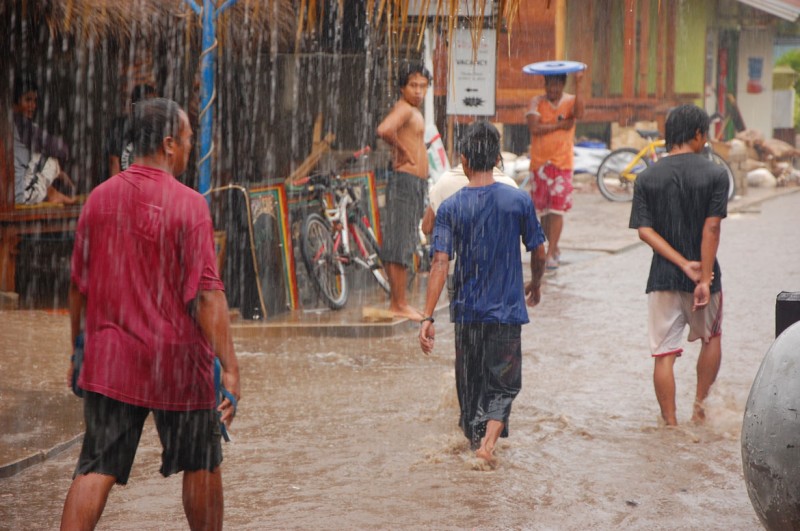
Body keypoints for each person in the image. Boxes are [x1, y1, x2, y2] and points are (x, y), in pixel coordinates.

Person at [61, 98, 240, 530]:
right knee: (201, 461)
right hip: (178, 363)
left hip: (111, 360)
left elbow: (77, 288)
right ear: (168, 145)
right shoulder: (190, 205)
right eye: (187, 139)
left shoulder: (98, 201)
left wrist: (78, 349)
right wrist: (231, 367)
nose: (190, 147)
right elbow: (207, 296)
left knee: (94, 467)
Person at [418, 121, 546, 464]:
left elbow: (440, 264)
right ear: (497, 160)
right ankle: (487, 445)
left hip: (467, 311)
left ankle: (475, 442)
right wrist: (536, 282)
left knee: (470, 386)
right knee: (503, 384)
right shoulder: (518, 200)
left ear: (463, 160)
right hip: (506, 311)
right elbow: (539, 249)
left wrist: (428, 316)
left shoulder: (451, 208)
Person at [629, 104, 727, 427]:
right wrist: (704, 276)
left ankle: (669, 424)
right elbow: (711, 229)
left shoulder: (647, 178)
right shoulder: (714, 174)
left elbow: (645, 231)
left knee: (663, 354)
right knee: (711, 339)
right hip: (706, 272)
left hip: (662, 278)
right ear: (697, 135)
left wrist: (682, 263)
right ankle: (699, 409)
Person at [376, 62, 431, 321]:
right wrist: (404, 151)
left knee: (406, 239)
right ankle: (398, 303)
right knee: (399, 241)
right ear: (402, 88)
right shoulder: (404, 109)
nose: (419, 91)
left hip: (413, 183)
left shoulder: (412, 110)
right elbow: (384, 130)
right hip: (405, 182)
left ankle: (400, 302)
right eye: (413, 86)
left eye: (423, 86)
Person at [526, 70, 584, 271]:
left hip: (562, 164)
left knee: (557, 210)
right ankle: (549, 247)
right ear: (544, 85)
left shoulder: (571, 101)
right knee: (542, 211)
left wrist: (579, 85)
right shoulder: (536, 102)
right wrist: (560, 125)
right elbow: (534, 127)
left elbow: (580, 114)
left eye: (556, 85)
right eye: (549, 85)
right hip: (540, 164)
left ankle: (551, 251)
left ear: (562, 85)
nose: (552, 89)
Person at [12, 74, 76, 205]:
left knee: (38, 159)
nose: (32, 105)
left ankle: (52, 193)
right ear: (15, 103)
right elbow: (62, 150)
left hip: (13, 193)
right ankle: (53, 194)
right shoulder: (21, 126)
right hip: (20, 197)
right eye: (28, 100)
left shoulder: (10, 124)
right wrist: (59, 172)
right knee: (50, 157)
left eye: (34, 101)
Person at [107, 83, 158, 178]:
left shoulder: (156, 129)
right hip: (123, 184)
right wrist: (116, 190)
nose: (152, 109)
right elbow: (114, 162)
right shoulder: (119, 126)